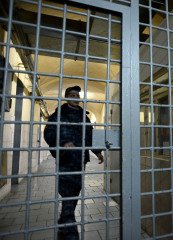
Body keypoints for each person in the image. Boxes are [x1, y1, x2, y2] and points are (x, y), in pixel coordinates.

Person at [44, 85, 104, 239]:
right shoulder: (58, 115)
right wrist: (64, 143)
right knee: (67, 192)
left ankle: (64, 221)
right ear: (66, 97)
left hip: (80, 160)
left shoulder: (85, 117)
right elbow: (49, 133)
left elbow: (90, 136)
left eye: (77, 95)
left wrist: (97, 151)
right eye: (71, 95)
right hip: (65, 159)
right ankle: (70, 230)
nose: (74, 97)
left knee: (74, 192)